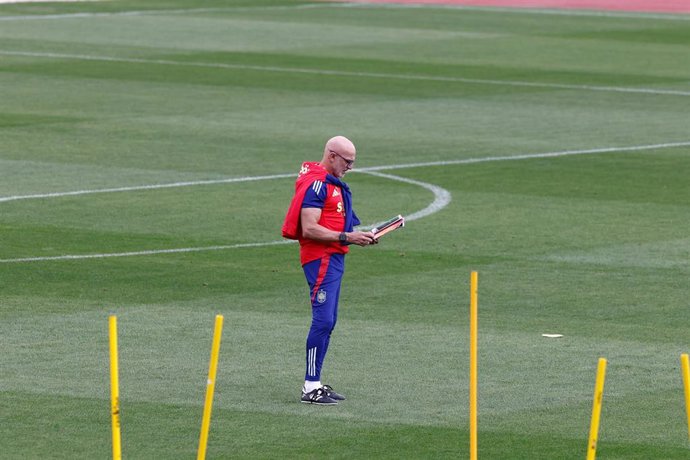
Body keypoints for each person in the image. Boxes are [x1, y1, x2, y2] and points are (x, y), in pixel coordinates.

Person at [282, 135, 377, 405]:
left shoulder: (331, 184)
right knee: (323, 320)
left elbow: (333, 223)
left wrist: (360, 236)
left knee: (329, 321)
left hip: (332, 256)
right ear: (332, 155)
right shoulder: (317, 185)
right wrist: (348, 237)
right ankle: (310, 387)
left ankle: (316, 382)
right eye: (348, 161)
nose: (350, 167)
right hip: (320, 257)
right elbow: (310, 227)